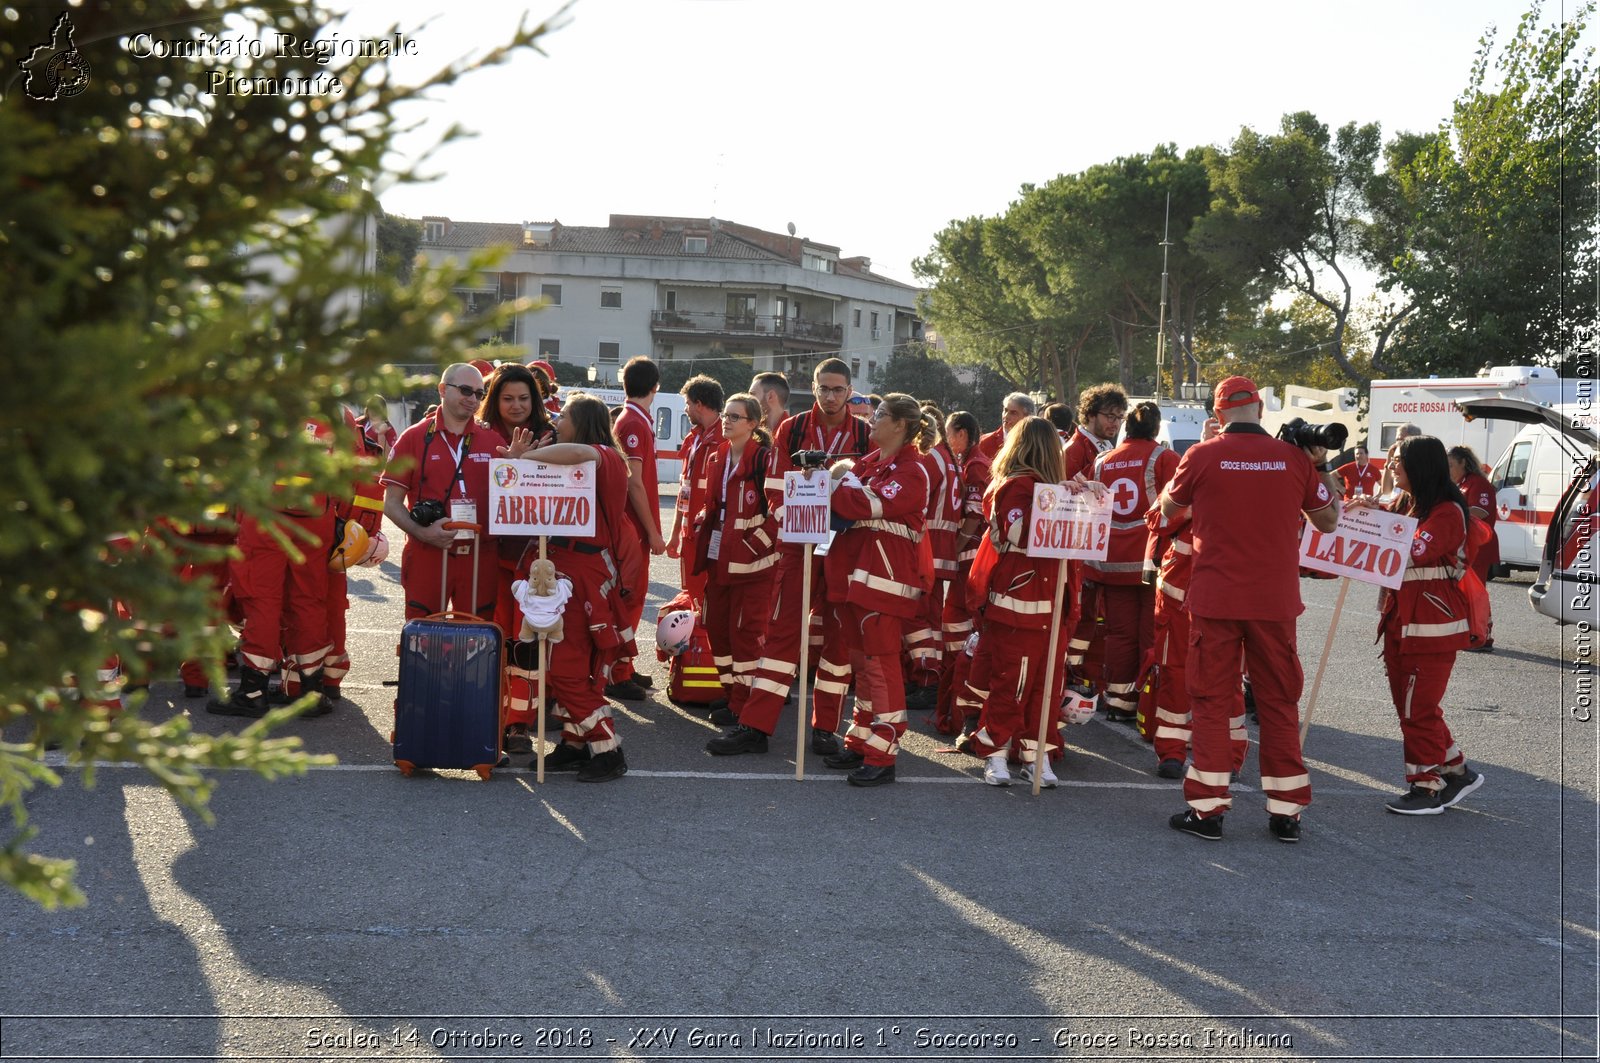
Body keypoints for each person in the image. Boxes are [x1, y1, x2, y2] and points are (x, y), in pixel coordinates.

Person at [1161, 376, 1339, 845]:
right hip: (1274, 601)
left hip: (1217, 598)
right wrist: (1319, 467)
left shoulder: (1200, 455)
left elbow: (1166, 511)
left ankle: (1207, 811)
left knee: (1212, 702)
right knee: (1279, 702)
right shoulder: (1295, 460)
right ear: (1260, 409)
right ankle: (1286, 812)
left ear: (1217, 415)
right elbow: (1328, 520)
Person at [739, 359, 873, 756]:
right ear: (812, 388)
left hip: (844, 548)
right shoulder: (791, 428)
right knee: (783, 632)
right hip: (799, 546)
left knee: (838, 640)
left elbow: (868, 492)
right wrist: (797, 525)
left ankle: (825, 729)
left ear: (849, 391)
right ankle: (755, 726)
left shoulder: (866, 434)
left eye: (837, 390)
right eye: (823, 389)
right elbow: (775, 487)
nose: (830, 396)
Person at [1350, 436, 1487, 815]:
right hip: (1403, 623)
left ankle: (1426, 786)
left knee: (1418, 709)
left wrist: (1367, 528)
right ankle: (1456, 769)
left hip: (1432, 627)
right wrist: (1364, 510)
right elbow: (1390, 519)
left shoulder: (1445, 512)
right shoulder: (1412, 503)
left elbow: (1409, 550)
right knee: (1409, 706)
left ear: (1420, 467)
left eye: (1399, 461)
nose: (1392, 466)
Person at [501, 393, 633, 782]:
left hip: (582, 576)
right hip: (565, 569)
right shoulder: (587, 455)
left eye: (565, 416)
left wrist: (525, 459)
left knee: (567, 668)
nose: (557, 420)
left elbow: (578, 453)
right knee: (563, 664)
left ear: (584, 422)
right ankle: (575, 745)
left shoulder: (605, 457)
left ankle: (607, 748)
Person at [819, 393, 936, 786]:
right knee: (863, 667)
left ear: (901, 425)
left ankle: (883, 753)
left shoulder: (913, 471)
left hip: (884, 584)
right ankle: (861, 740)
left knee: (882, 668)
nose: (869, 419)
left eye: (880, 415)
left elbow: (858, 504)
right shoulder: (871, 463)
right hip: (856, 580)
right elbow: (845, 491)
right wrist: (831, 481)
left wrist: (830, 483)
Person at [959, 417, 1080, 787]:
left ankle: (1035, 754)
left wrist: (1080, 497)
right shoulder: (1014, 487)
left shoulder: (1048, 488)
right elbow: (1022, 531)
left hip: (1051, 602)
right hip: (1018, 602)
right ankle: (994, 753)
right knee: (1012, 684)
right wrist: (1066, 501)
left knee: (1045, 687)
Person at [208, 418, 340, 718]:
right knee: (310, 600)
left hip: (264, 515)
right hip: (316, 516)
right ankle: (310, 690)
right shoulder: (337, 410)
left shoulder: (261, 405)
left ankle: (252, 691)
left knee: (261, 601)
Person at [380, 363, 507, 621]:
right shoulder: (413, 438)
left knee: (476, 636)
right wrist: (422, 533)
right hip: (428, 553)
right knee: (424, 634)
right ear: (442, 389)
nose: (472, 399)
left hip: (481, 555)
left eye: (479, 394)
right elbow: (391, 503)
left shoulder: (493, 441)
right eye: (464, 390)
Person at [476, 363, 557, 754]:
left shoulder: (552, 434)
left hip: (534, 557)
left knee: (528, 642)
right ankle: (487, 716)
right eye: (507, 398)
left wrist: (527, 462)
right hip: (489, 554)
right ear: (495, 400)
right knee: (494, 639)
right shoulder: (478, 436)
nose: (516, 405)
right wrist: (510, 462)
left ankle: (520, 725)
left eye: (524, 398)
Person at [700, 394, 782, 754]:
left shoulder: (765, 460)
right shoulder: (718, 455)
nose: (727, 421)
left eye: (736, 416)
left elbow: (779, 514)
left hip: (754, 566)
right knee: (717, 629)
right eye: (725, 415)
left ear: (753, 423)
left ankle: (746, 711)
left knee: (746, 637)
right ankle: (733, 699)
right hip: (720, 560)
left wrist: (753, 546)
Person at [1088, 401, 1177, 724]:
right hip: (1150, 563)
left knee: (1118, 634)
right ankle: (1148, 701)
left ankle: (1118, 699)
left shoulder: (1101, 461)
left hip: (1109, 562)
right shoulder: (1164, 458)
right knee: (1150, 635)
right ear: (1155, 429)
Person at [607, 356, 666, 700]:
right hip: (632, 528)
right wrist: (653, 531)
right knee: (629, 598)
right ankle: (617, 672)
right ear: (655, 386)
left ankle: (623, 667)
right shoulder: (634, 423)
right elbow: (635, 483)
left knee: (632, 596)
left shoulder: (633, 420)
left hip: (631, 526)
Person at [1064, 383, 1128, 690]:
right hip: (1078, 548)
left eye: (1119, 416)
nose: (1114, 422)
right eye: (1109, 415)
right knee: (1081, 615)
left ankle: (1084, 673)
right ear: (1090, 414)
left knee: (1093, 617)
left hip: (1096, 547)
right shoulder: (1076, 449)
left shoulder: (1104, 448)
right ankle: (1071, 674)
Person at [935, 410, 988, 735]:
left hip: (969, 561)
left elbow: (974, 513)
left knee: (960, 636)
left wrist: (955, 548)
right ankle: (952, 710)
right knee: (954, 637)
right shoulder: (965, 462)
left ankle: (959, 713)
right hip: (964, 561)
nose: (946, 439)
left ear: (963, 435)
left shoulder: (976, 465)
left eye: (949, 433)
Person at [903, 402, 957, 711]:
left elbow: (915, 504)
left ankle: (927, 679)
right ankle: (927, 676)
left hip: (925, 548)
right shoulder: (947, 457)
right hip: (942, 549)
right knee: (930, 618)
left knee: (919, 618)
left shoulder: (931, 460)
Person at [666, 374, 725, 608]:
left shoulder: (725, 439)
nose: (686, 409)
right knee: (691, 597)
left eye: (688, 404)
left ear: (699, 404)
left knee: (708, 602)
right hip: (689, 535)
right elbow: (684, 490)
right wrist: (674, 534)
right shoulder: (694, 439)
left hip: (710, 537)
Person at [1448, 444, 1498, 651]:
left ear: (1463, 464)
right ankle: (1473, 632)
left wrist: (1453, 512)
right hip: (1467, 546)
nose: (1448, 470)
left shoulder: (1478, 484)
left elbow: (1481, 511)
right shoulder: (1462, 484)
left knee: (1476, 593)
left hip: (1480, 545)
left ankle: (1482, 635)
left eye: (1451, 465)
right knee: (1467, 592)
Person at [975, 392, 1035, 463]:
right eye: (1005, 410)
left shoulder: (1035, 442)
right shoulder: (985, 442)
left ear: (1027, 416)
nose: (1006, 416)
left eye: (1013, 413)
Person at [750, 371, 790, 436]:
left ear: (770, 396)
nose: (747, 399)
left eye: (752, 394)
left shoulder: (795, 433)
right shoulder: (749, 430)